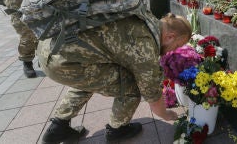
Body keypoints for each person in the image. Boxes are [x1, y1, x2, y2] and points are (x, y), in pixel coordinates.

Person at [38, 12, 192, 143]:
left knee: (89, 78)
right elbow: (151, 93)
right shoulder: (146, 44)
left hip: (50, 47)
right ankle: (116, 130)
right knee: (132, 86)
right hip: (63, 62)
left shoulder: (147, 18)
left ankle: (58, 126)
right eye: (178, 45)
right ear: (171, 37)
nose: (174, 50)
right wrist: (166, 114)